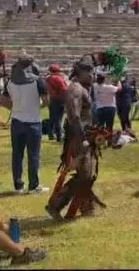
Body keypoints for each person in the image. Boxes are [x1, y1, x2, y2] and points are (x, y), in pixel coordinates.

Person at [46, 61, 100, 220]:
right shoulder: (75, 89)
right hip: (78, 137)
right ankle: (55, 205)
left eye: (92, 72)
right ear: (78, 72)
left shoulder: (82, 88)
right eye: (88, 72)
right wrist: (82, 139)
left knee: (87, 173)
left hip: (85, 136)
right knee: (86, 175)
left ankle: (86, 207)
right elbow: (73, 116)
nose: (92, 75)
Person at [4, 58, 49, 194]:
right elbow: (46, 101)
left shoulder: (10, 82)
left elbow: (2, 101)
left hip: (17, 121)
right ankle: (34, 185)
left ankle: (18, 186)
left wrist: (16, 108)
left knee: (17, 154)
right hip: (33, 121)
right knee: (33, 154)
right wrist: (37, 106)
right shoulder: (37, 82)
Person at [46, 64, 68, 142]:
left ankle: (51, 134)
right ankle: (59, 135)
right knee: (58, 118)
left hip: (52, 99)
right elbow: (64, 89)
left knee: (52, 118)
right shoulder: (58, 79)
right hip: (59, 99)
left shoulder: (48, 78)